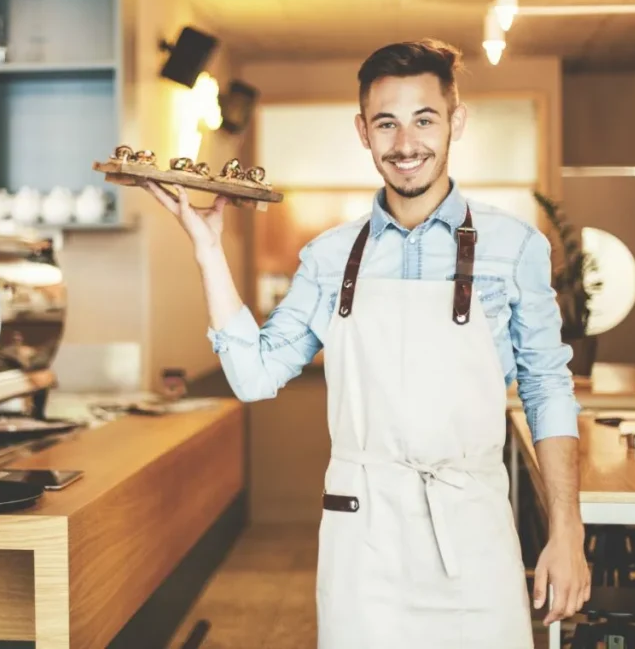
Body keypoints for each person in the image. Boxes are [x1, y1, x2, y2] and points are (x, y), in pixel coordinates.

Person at [141, 39, 590, 648]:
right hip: (363, 539)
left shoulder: (514, 247)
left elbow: (546, 388)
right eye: (386, 123)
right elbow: (254, 376)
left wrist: (567, 530)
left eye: (424, 119)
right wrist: (208, 251)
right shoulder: (329, 258)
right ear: (363, 131)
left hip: (472, 526)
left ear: (455, 121)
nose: (406, 145)